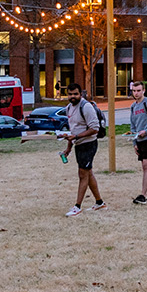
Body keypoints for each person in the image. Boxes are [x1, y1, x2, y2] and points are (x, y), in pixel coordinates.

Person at [60, 84, 107, 215]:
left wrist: (76, 136)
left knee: (82, 174)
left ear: (81, 94)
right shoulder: (69, 108)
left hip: (89, 144)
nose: (72, 96)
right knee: (88, 173)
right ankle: (100, 203)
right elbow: (73, 130)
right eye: (70, 94)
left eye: (75, 94)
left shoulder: (86, 107)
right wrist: (68, 147)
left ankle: (77, 206)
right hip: (78, 145)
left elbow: (95, 128)